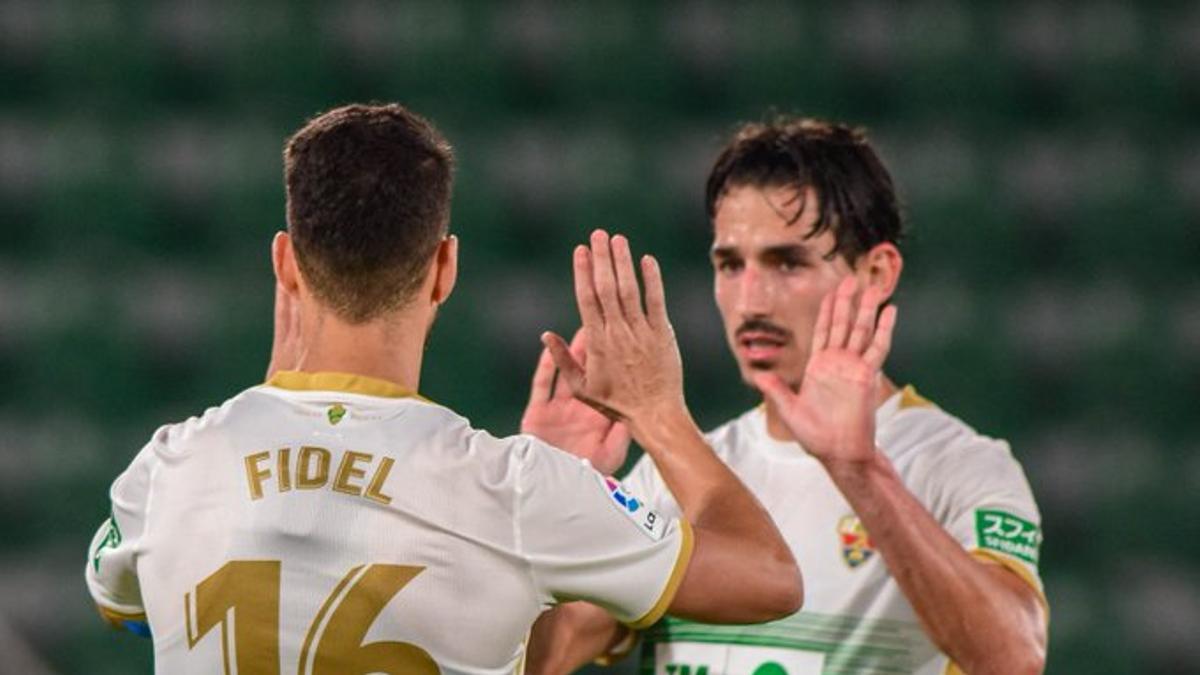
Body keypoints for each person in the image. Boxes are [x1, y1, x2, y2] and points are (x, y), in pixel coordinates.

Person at [83, 103, 805, 675]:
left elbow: (125, 598)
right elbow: (770, 577)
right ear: (444, 268)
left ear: (286, 264)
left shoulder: (170, 470)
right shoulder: (514, 491)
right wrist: (658, 414)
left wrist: (274, 402)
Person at [522, 118, 1048, 675]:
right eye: (730, 264)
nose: (751, 301)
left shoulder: (957, 464)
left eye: (787, 262)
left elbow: (1013, 660)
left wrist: (860, 472)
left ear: (876, 273)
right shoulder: (675, 475)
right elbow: (538, 664)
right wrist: (548, 493)